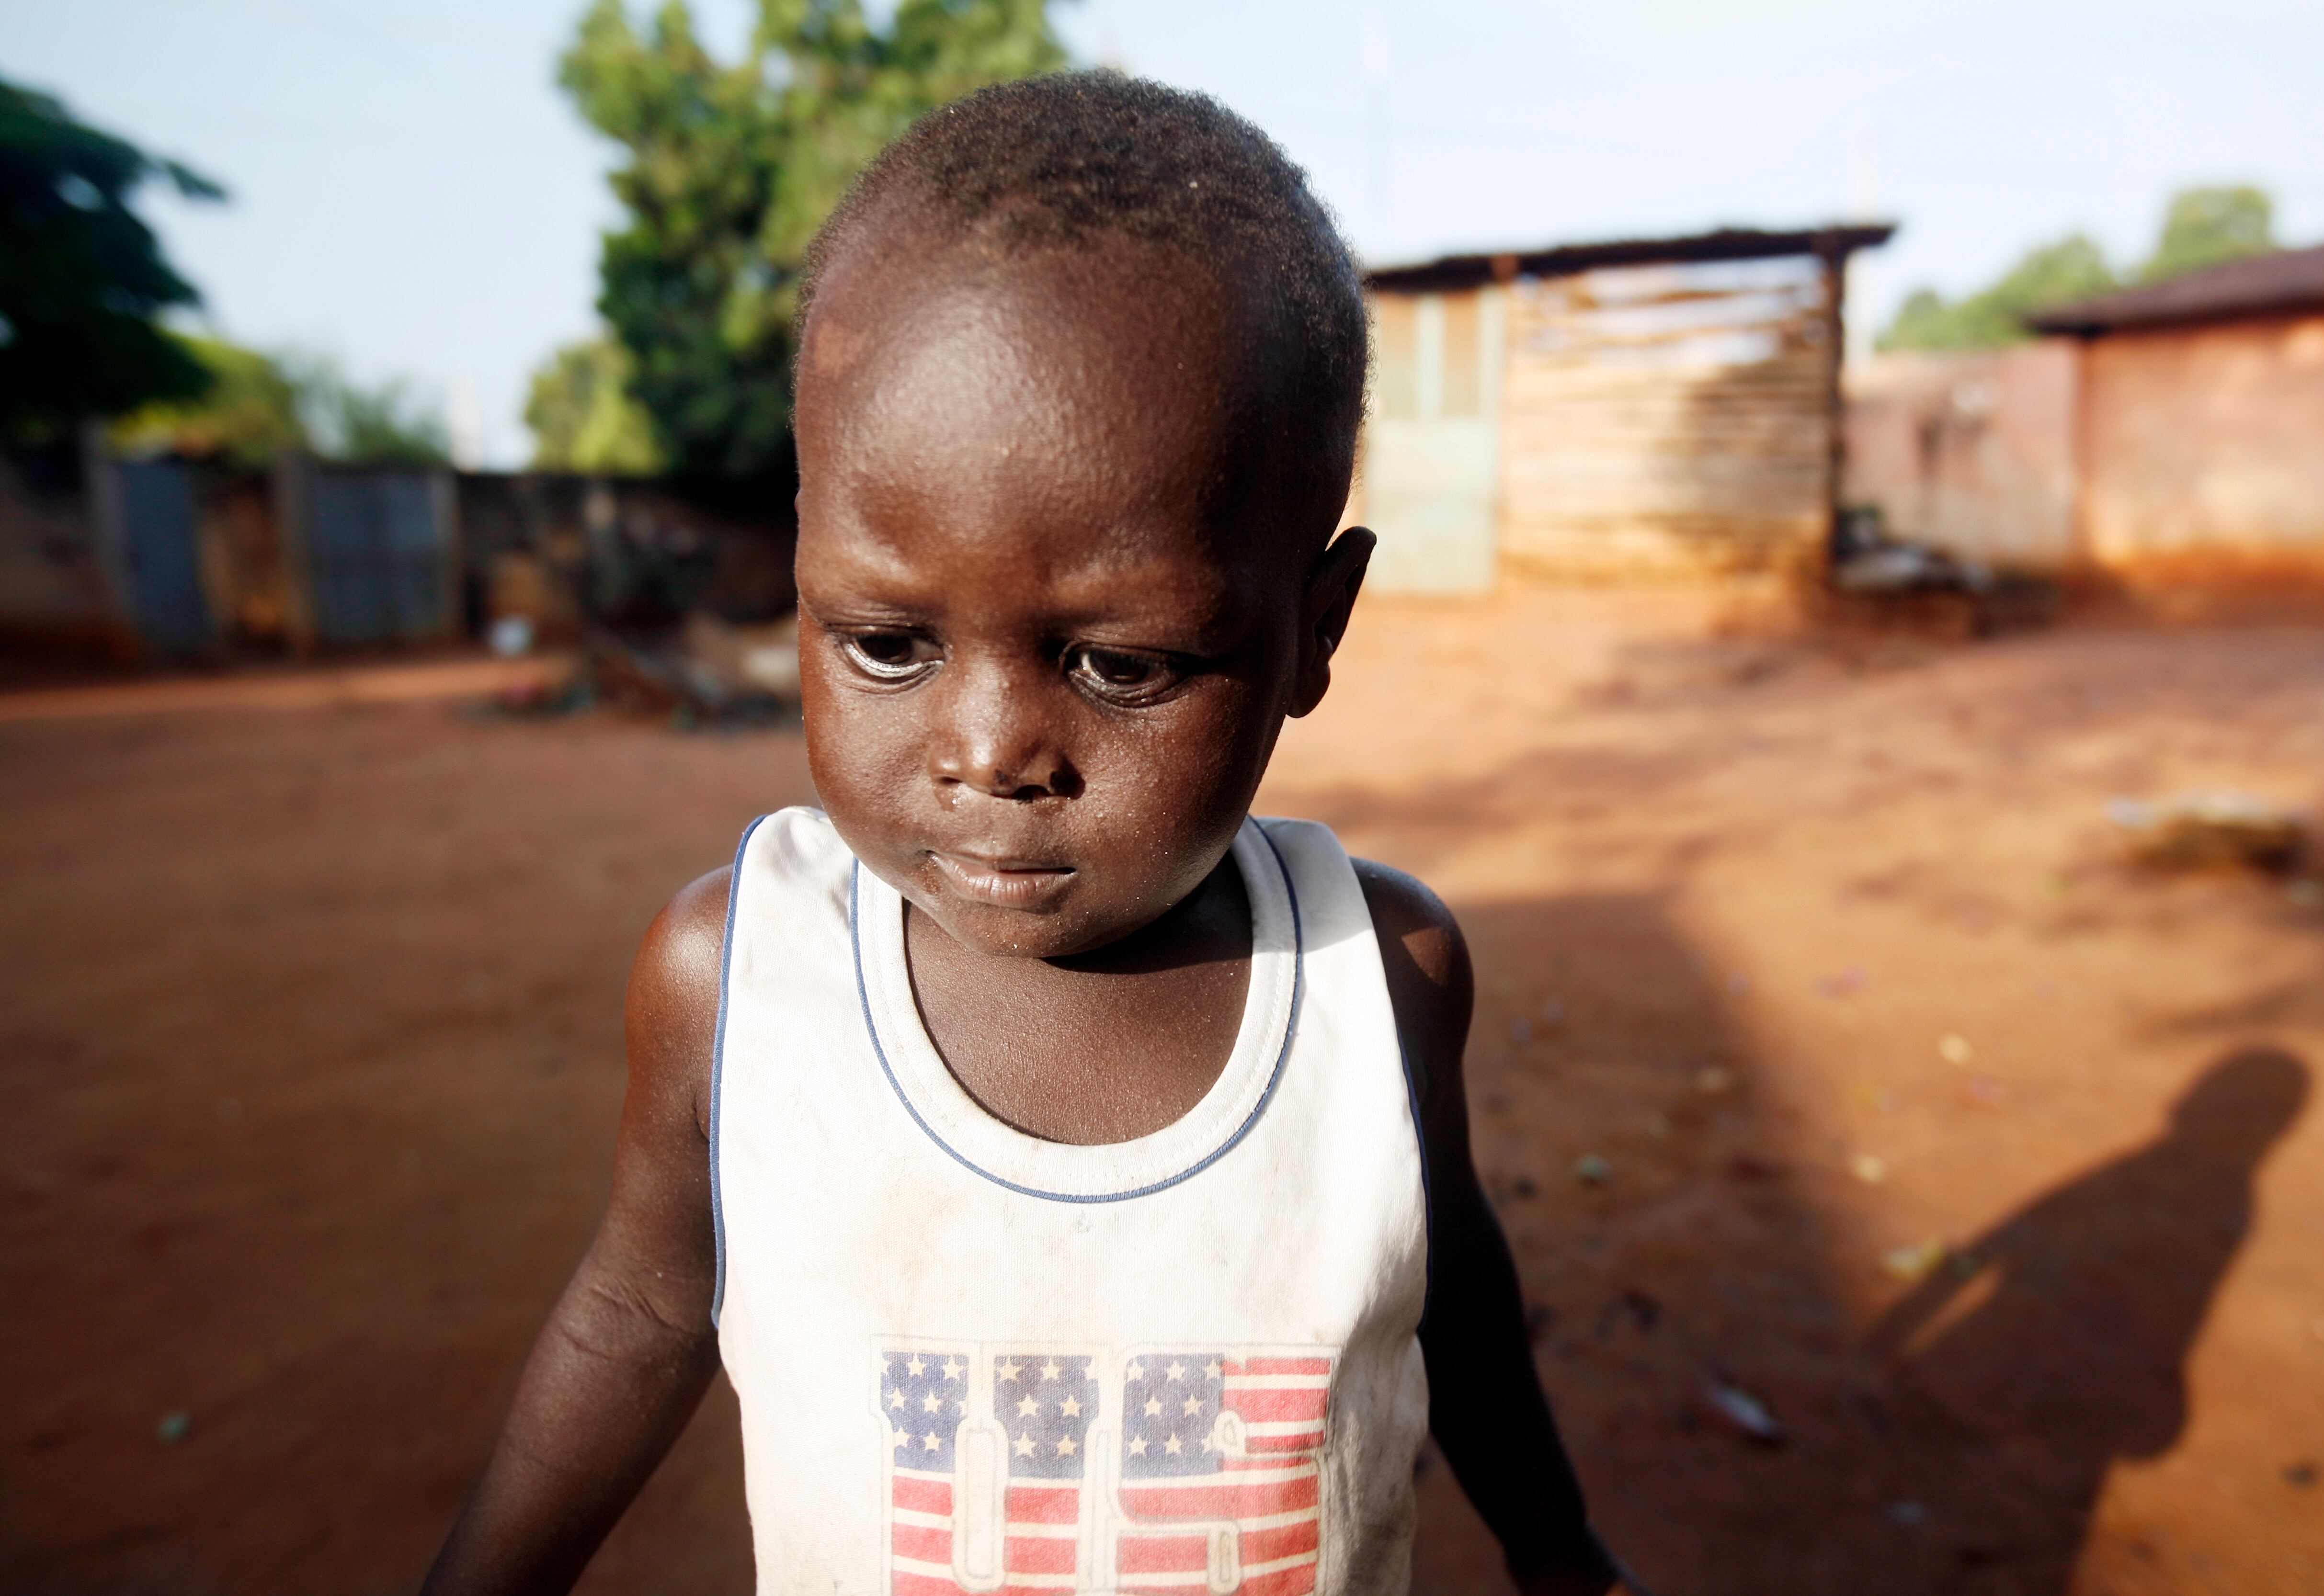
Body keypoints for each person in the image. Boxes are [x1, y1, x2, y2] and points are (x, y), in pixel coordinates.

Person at [424, 73, 1636, 1596]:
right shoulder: (739, 984)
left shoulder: (1376, 982)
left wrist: (1559, 1546)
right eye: (882, 643)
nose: (989, 753)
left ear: (1312, 630)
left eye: (1121, 666)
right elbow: (641, 1314)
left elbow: (1444, 1290)